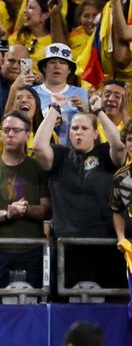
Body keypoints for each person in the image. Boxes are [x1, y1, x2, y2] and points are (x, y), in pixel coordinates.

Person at [33, 95, 127, 291]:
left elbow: (119, 145)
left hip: (104, 244)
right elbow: (39, 147)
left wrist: (99, 111)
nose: (78, 133)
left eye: (84, 129)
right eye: (74, 128)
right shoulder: (60, 155)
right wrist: (54, 108)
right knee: (68, 306)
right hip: (67, 246)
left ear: (95, 133)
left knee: (106, 305)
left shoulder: (104, 154)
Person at [0, 109, 51, 296]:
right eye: (6, 130)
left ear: (28, 135)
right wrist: (7, 213)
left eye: (16, 130)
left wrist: (25, 209)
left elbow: (47, 210)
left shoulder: (38, 169)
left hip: (31, 248)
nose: (10, 134)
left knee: (32, 304)